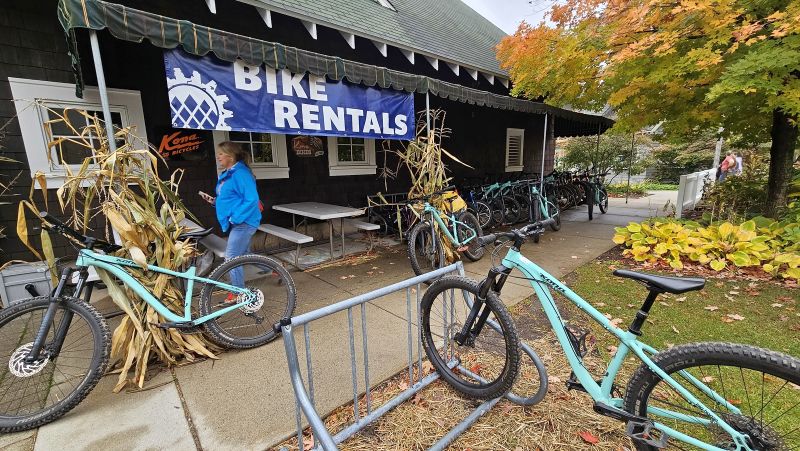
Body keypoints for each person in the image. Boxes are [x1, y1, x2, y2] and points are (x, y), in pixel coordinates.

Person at [200, 141, 261, 288]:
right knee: (246, 255)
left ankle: (237, 292)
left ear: (231, 157)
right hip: (238, 221)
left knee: (231, 258)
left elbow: (252, 199)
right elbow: (231, 198)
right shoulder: (228, 174)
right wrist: (215, 202)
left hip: (244, 222)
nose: (218, 157)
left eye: (221, 153)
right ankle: (275, 268)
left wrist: (236, 217)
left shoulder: (241, 174)